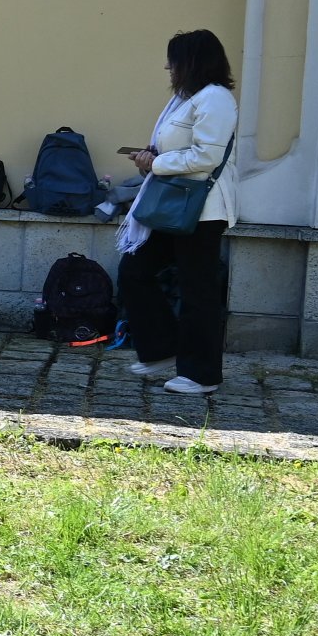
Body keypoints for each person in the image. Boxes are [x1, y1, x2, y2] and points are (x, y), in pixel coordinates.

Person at [117, 29, 239, 395]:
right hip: (176, 205)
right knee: (135, 271)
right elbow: (177, 151)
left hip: (201, 210)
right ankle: (160, 348)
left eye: (174, 61)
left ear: (192, 62)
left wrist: (157, 163)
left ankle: (202, 375)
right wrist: (150, 158)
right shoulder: (189, 100)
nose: (169, 68)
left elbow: (206, 156)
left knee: (197, 289)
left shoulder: (215, 99)